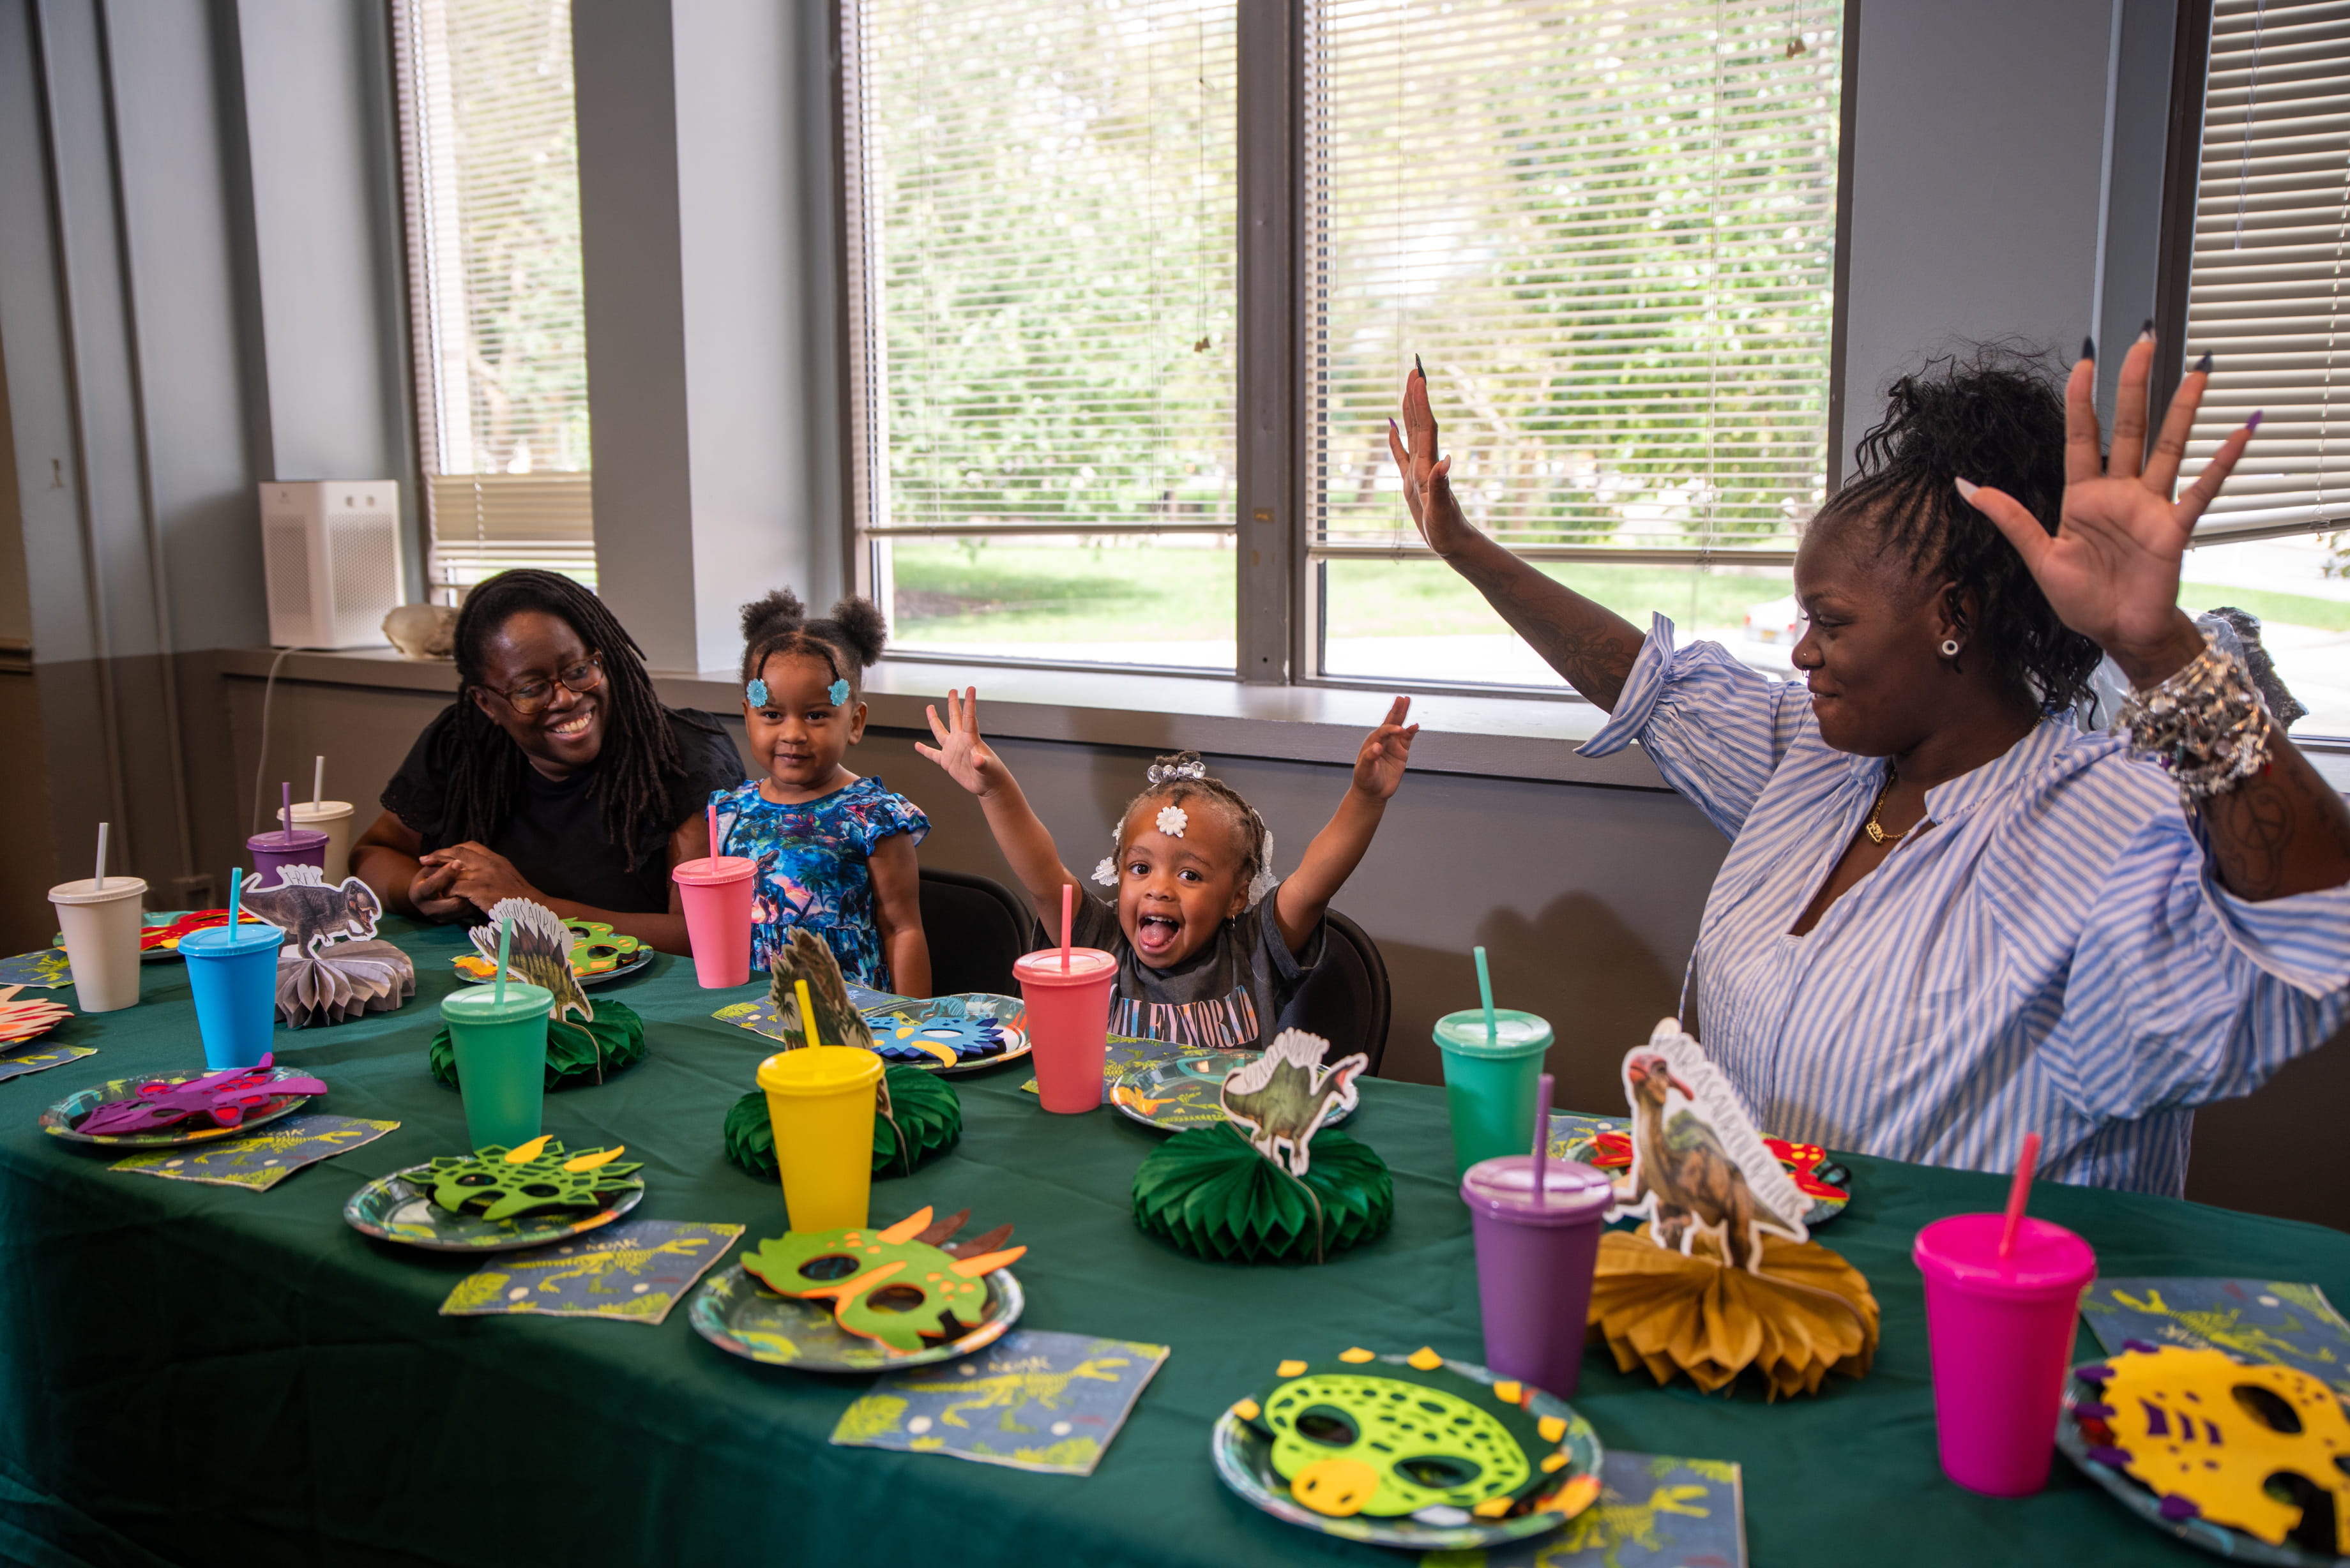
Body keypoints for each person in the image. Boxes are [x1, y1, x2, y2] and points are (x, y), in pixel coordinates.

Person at [1391, 336, 2350, 1194]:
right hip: (1759, 1291)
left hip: (1966, 1328)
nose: (1802, 650)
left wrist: (2159, 651)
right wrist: (1463, 548)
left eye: (1832, 622)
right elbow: (1643, 677)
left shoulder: (2109, 815)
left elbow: (2318, 912)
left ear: (1953, 619)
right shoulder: (1819, 763)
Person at [918, 691, 1418, 1050]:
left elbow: (1313, 883)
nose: (1159, 888)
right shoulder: (1099, 940)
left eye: (1191, 876)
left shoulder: (1257, 950)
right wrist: (994, 789)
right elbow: (1043, 875)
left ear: (1239, 896)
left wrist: (1366, 797)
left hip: (1213, 1151)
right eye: (1141, 868)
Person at [353, 569, 747, 954]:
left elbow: (704, 933)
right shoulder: (464, 742)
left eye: (578, 670)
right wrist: (417, 891)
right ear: (485, 703)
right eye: (530, 689)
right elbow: (372, 853)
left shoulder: (682, 757)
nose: (565, 698)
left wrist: (533, 908)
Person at [708, 590, 930, 995]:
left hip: (850, 1019)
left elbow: (903, 929)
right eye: (772, 715)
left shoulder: (874, 818)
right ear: (748, 716)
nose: (792, 733)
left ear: (854, 722)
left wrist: (910, 1026)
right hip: (746, 1014)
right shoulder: (727, 814)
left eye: (816, 715)